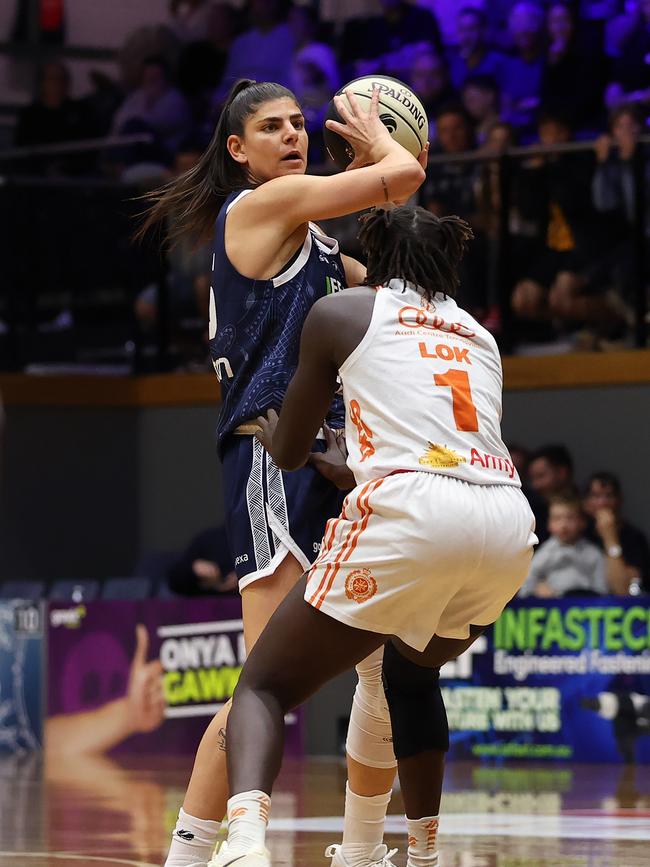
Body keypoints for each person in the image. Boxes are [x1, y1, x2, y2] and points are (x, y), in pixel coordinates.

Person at [138, 80, 427, 867]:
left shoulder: (325, 246)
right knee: (263, 682)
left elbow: (402, 284)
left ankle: (198, 854)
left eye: (300, 123)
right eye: (271, 127)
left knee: (277, 683)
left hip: (327, 463)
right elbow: (402, 179)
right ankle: (215, 848)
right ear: (239, 150)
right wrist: (383, 143)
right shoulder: (260, 207)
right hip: (270, 453)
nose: (293, 135)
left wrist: (393, 195)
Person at [212, 205, 537, 867]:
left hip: (416, 515)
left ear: (376, 255)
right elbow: (441, 445)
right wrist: (353, 461)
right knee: (410, 675)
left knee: (264, 686)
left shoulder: (343, 312)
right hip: (505, 521)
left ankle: (243, 844)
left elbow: (294, 447)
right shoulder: (479, 334)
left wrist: (284, 439)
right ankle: (421, 854)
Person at [519, 495, 608, 597]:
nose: (563, 525)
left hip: (585, 607)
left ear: (582, 522)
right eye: (557, 518)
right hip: (552, 607)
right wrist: (536, 588)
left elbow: (602, 590)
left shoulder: (593, 553)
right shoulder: (545, 553)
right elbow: (525, 588)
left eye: (570, 518)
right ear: (549, 524)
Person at [583, 472, 650, 593]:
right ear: (586, 503)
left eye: (609, 496)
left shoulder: (634, 537)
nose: (603, 503)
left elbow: (623, 589)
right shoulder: (578, 533)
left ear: (619, 500)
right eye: (596, 496)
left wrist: (610, 538)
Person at [168, 525, 238, 596]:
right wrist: (195, 567)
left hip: (243, 599)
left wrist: (244, 578)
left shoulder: (247, 540)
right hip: (203, 600)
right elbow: (173, 580)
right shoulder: (210, 538)